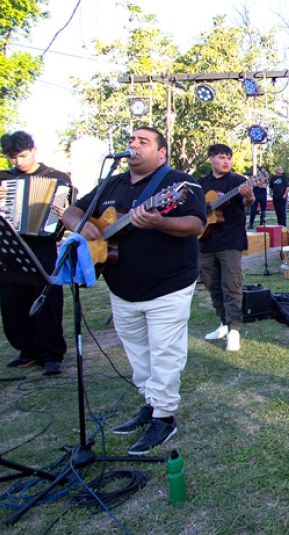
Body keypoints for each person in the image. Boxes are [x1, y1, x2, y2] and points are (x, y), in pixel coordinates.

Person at [61, 126, 206, 456]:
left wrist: (160, 222)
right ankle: (151, 403)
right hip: (121, 286)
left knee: (165, 351)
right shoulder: (111, 184)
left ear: (162, 152)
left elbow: (196, 224)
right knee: (138, 353)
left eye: (144, 141)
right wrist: (84, 226)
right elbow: (72, 211)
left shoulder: (180, 183)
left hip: (169, 284)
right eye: (131, 140)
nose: (134, 145)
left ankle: (164, 417)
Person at [0, 131, 70, 376]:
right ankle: (27, 350)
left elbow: (64, 217)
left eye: (22, 156)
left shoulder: (57, 178)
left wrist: (61, 215)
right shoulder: (1, 178)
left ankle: (51, 354)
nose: (18, 162)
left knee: (47, 297)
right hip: (10, 244)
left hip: (43, 244)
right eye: (13, 158)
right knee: (12, 299)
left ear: (33, 150)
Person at [197, 144, 254, 352]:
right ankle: (223, 323)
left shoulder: (237, 181)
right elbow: (196, 208)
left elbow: (247, 202)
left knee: (231, 285)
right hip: (205, 240)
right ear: (210, 159)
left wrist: (249, 196)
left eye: (229, 158)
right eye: (221, 157)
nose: (226, 161)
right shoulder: (201, 183)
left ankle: (234, 330)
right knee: (212, 285)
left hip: (230, 241)